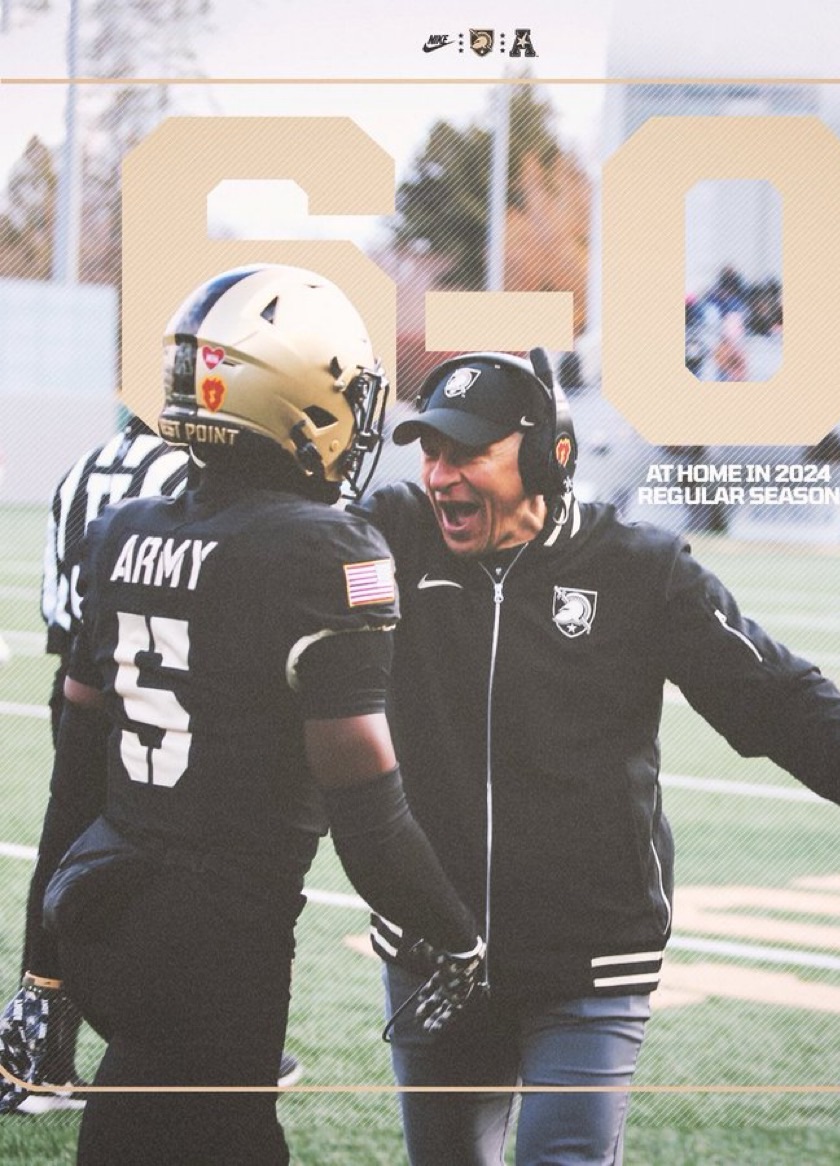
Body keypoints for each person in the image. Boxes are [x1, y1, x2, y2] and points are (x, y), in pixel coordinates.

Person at [349, 349, 840, 1166]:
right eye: (430, 451)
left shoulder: (636, 567)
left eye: (466, 453)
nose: (440, 475)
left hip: (590, 957)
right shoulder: (393, 536)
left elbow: (769, 689)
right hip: (432, 953)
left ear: (544, 456)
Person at [0, 265, 483, 1163]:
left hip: (100, 906)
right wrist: (455, 934)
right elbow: (368, 813)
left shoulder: (126, 530)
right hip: (218, 939)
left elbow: (77, 772)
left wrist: (43, 970)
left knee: (133, 1120)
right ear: (300, 402)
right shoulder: (329, 550)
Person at [15, 413, 191, 1110]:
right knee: (155, 863)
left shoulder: (80, 467)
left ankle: (41, 1057)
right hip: (148, 698)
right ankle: (163, 1043)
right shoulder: (183, 478)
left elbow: (58, 619)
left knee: (65, 852)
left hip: (76, 690)